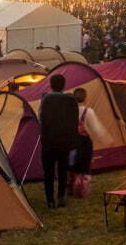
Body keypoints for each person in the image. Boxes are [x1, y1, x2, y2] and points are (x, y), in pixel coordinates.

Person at [38, 73, 79, 208]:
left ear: (51, 85)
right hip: (64, 141)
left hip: (48, 142)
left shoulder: (45, 99)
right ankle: (61, 197)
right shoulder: (71, 100)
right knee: (63, 170)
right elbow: (74, 121)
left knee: (48, 172)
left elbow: (41, 119)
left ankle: (50, 200)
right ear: (64, 85)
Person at [67, 86, 106, 198]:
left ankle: (69, 189)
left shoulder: (68, 111)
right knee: (84, 166)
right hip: (84, 142)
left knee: (71, 165)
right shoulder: (88, 112)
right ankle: (81, 190)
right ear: (85, 98)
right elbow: (97, 129)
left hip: (71, 141)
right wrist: (106, 139)